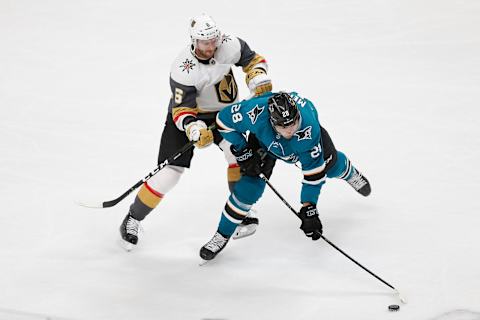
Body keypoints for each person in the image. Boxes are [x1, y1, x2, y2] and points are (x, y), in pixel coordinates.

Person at [119, 13, 273, 250]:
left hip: (224, 114)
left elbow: (252, 60)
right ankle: (133, 218)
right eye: (205, 42)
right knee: (170, 173)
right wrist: (193, 128)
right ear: (194, 41)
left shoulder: (228, 44)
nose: (211, 46)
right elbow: (182, 110)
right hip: (191, 115)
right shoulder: (183, 69)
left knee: (237, 157)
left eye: (213, 39)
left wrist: (257, 75)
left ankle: (241, 210)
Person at [200, 91, 371, 260]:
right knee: (248, 189)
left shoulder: (308, 129)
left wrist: (309, 208)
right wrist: (242, 148)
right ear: (271, 121)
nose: (290, 130)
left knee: (330, 166)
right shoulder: (254, 112)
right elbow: (223, 121)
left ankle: (349, 172)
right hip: (265, 144)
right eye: (284, 126)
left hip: (303, 147)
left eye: (293, 123)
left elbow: (313, 175)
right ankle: (221, 235)